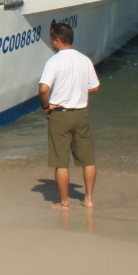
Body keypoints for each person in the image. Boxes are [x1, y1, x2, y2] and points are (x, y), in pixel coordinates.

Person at [38, 23, 99, 210]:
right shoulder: (84, 60)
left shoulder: (54, 61)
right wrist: (78, 91)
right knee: (88, 160)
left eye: (52, 39)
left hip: (60, 114)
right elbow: (95, 86)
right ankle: (89, 199)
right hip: (81, 114)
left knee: (61, 162)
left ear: (57, 40)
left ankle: (65, 203)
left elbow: (43, 89)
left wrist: (46, 107)